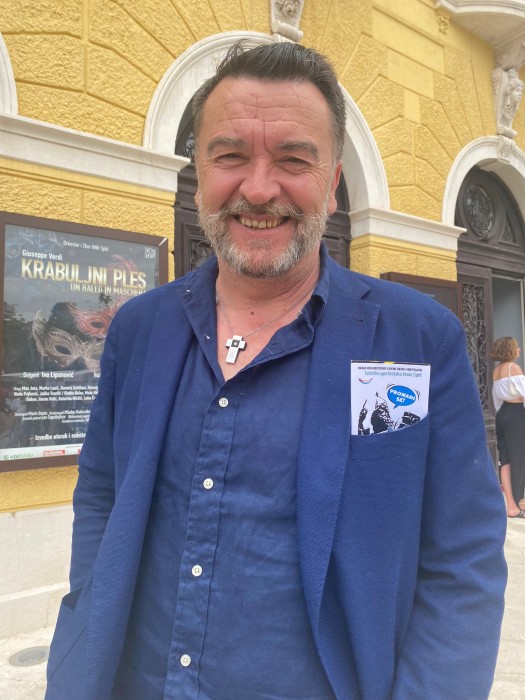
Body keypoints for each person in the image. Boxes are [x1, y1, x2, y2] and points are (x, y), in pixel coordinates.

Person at [45, 41, 507, 700]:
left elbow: (462, 557)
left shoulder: (414, 340)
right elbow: (100, 493)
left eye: (293, 159)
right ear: (200, 171)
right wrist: (82, 628)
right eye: (230, 156)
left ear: (332, 181)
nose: (259, 189)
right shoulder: (140, 329)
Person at [492, 336, 525, 517]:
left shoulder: (496, 370)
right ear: (510, 349)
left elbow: (496, 397)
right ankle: (519, 505)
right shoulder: (514, 368)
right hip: (516, 413)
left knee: (505, 459)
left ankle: (511, 506)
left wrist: (502, 415)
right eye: (516, 347)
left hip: (503, 414)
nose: (519, 350)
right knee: (519, 459)